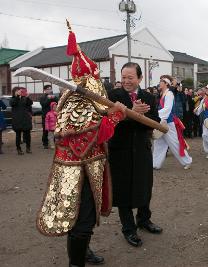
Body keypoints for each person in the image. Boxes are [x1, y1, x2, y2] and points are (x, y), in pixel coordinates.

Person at [36, 22, 127, 266]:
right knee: (81, 220)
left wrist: (111, 115)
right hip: (77, 169)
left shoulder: (86, 97)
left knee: (87, 216)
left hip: (90, 165)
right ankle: (76, 263)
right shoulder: (76, 99)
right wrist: (114, 118)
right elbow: (82, 141)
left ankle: (83, 251)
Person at [108, 62, 162, 248]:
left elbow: (154, 121)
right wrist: (132, 112)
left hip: (141, 149)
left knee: (144, 185)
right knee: (123, 190)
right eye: (123, 77)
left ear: (139, 78)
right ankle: (129, 229)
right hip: (119, 151)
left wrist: (140, 117)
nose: (126, 81)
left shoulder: (148, 97)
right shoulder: (113, 96)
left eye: (130, 77)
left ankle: (144, 220)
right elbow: (109, 123)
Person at [153, 75, 192, 170]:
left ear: (166, 83)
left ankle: (187, 161)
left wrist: (156, 115)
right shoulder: (164, 93)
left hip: (168, 123)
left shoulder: (169, 94)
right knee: (159, 143)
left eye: (161, 81)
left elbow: (167, 109)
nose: (159, 83)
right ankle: (155, 164)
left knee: (174, 143)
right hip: (163, 121)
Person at [10, 87, 33, 155]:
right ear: (14, 92)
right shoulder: (12, 99)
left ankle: (28, 148)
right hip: (17, 120)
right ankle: (19, 149)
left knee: (28, 135)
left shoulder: (24, 98)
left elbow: (30, 103)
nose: (19, 92)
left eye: (20, 91)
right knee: (18, 135)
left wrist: (27, 97)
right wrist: (17, 97)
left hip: (25, 119)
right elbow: (13, 103)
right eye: (17, 91)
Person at [39, 84, 58, 149]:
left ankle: (55, 143)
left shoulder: (54, 96)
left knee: (55, 130)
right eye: (48, 89)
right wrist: (48, 99)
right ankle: (45, 143)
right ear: (45, 90)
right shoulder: (42, 97)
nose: (50, 90)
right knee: (45, 130)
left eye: (50, 89)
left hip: (54, 116)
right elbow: (43, 104)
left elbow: (58, 102)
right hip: (46, 116)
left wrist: (54, 98)